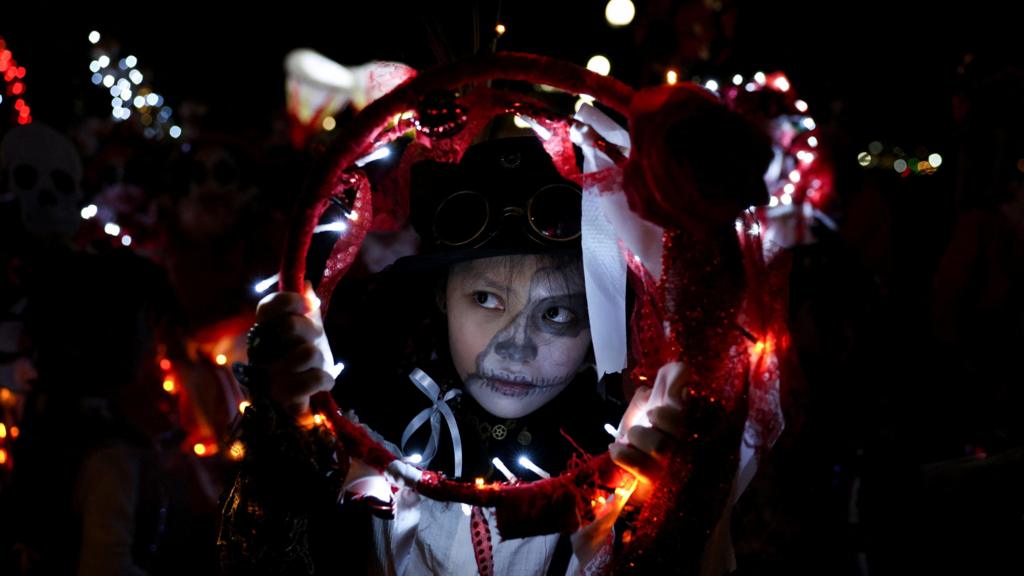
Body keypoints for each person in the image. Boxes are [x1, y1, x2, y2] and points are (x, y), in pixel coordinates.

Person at [219, 133, 688, 575]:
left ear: (598, 325)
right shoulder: (364, 431)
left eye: (558, 314)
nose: (517, 348)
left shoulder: (626, 454)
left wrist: (660, 512)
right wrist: (291, 434)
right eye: (486, 299)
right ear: (443, 296)